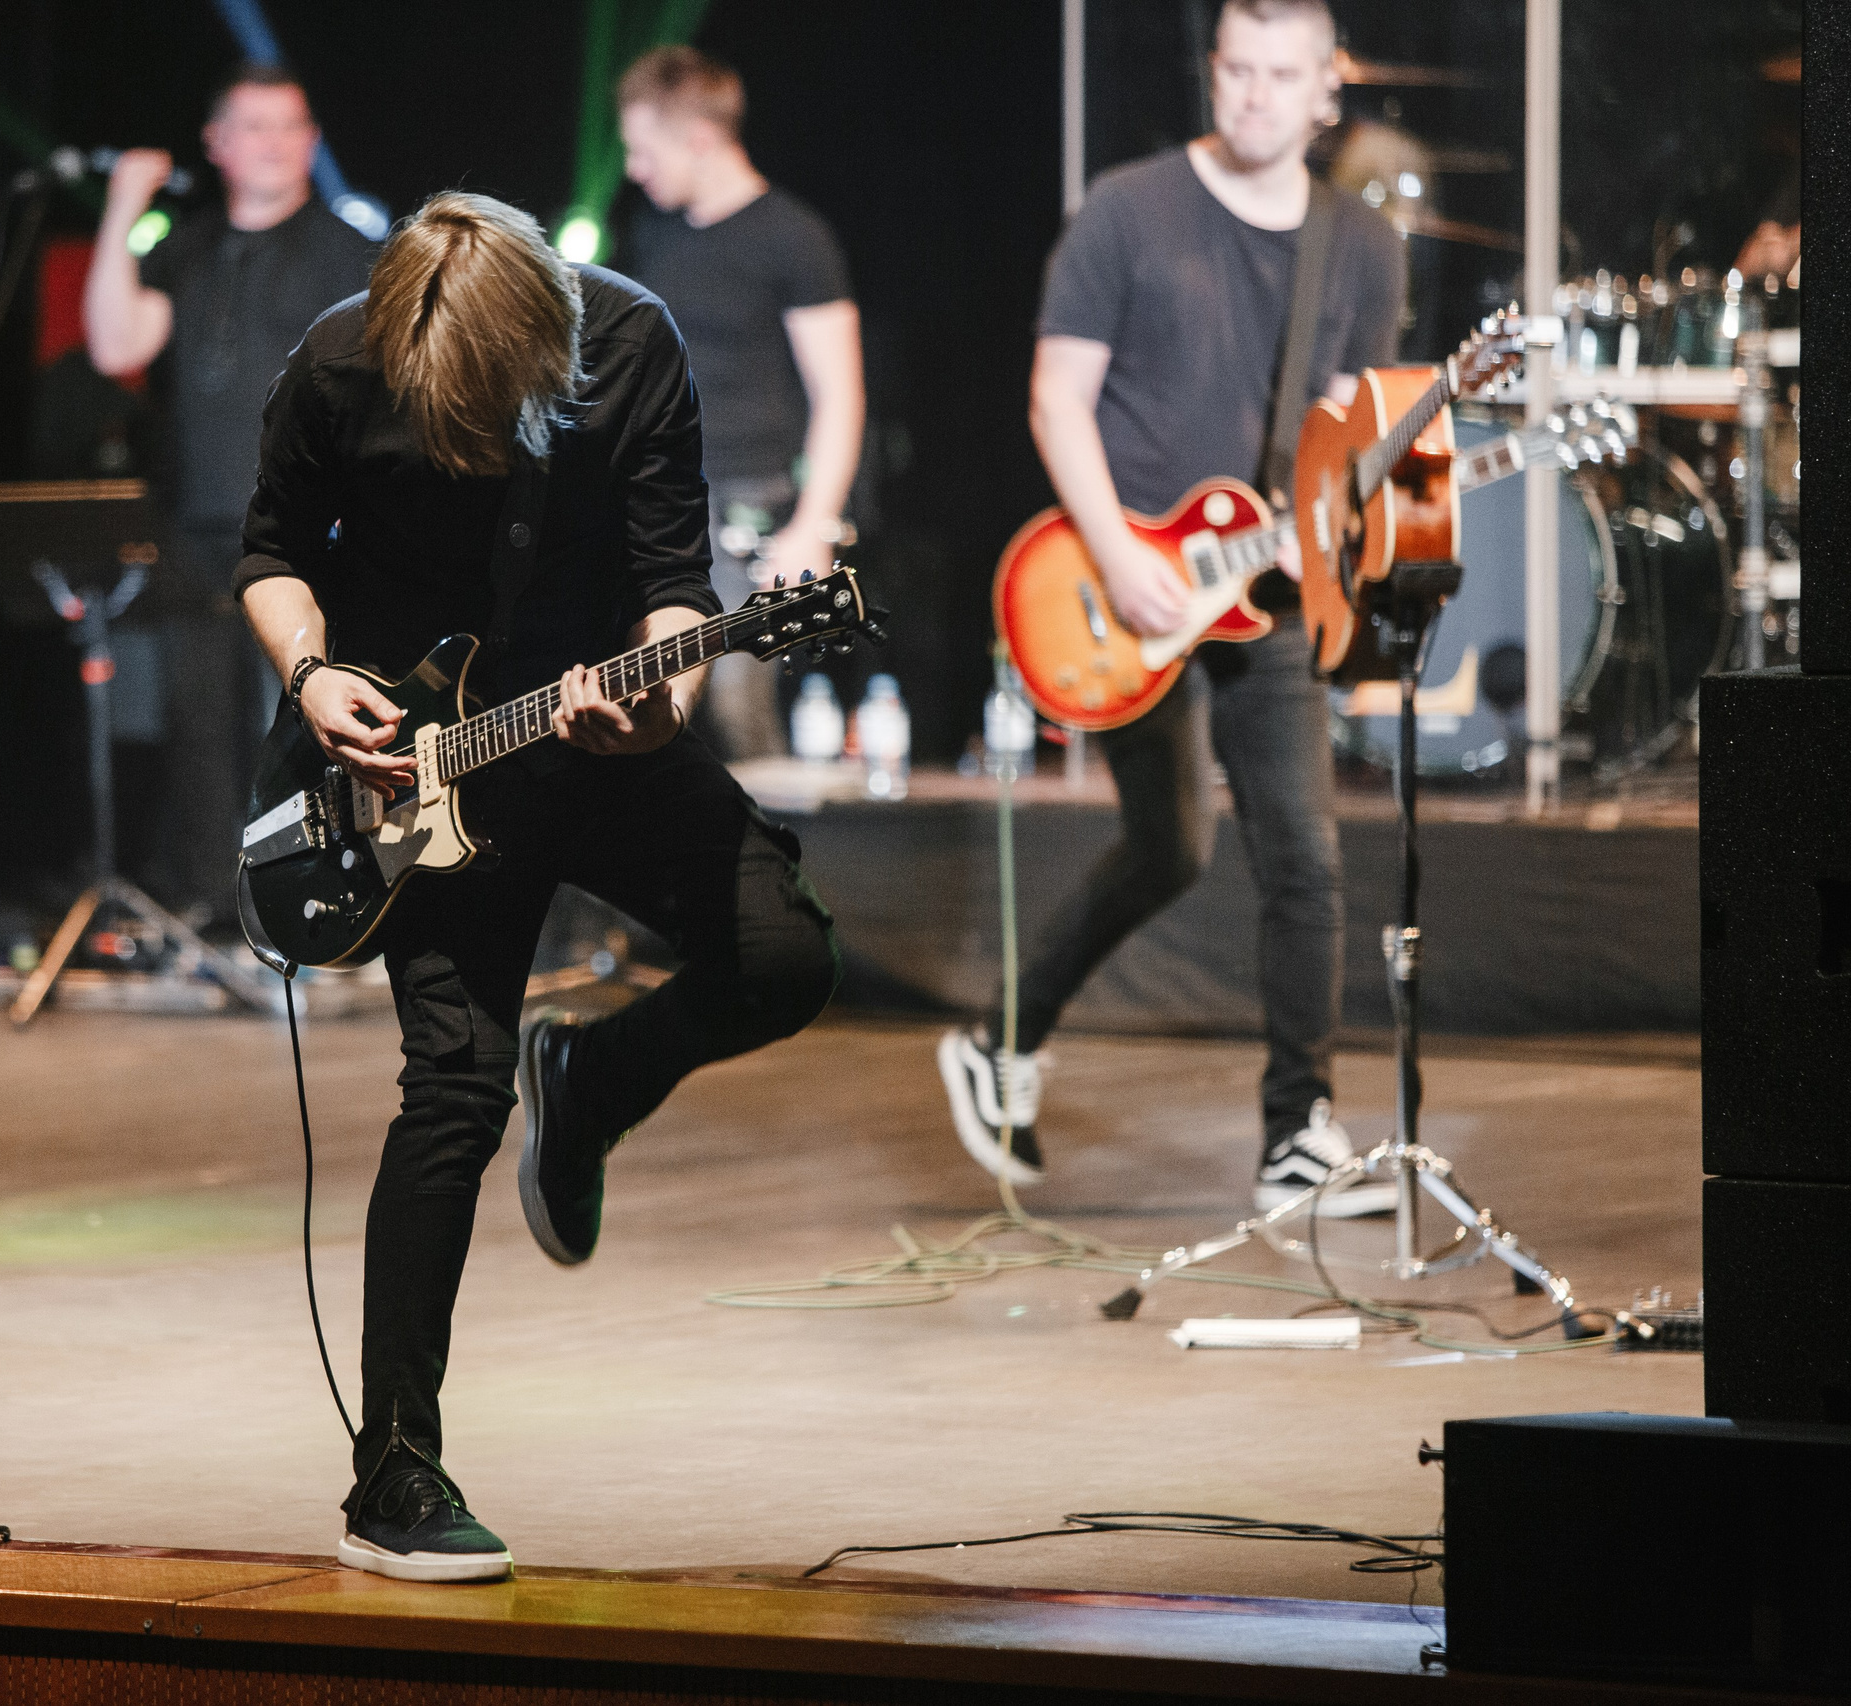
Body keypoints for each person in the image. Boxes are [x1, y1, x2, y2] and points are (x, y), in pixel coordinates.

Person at [237, 194, 839, 1581]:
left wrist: (662, 702)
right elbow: (270, 554)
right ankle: (392, 1464)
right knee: (452, 1082)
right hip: (412, 766)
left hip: (593, 726)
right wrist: (313, 675)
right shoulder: (339, 364)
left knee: (787, 956)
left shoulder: (631, 343)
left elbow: (674, 584)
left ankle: (595, 1081)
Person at [937, 0, 1405, 1217]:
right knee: (1170, 846)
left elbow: (1340, 436)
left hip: (1266, 586)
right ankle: (1002, 1042)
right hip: (1117, 583)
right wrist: (1116, 548)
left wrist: (1355, 505)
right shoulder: (1128, 210)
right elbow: (1056, 399)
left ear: (1325, 92)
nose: (1251, 94)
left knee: (1304, 853)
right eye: (1235, 70)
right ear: (1215, 73)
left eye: (1278, 75)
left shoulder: (1356, 246)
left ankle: (1297, 1131)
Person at [83, 65, 376, 918]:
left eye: (291, 127)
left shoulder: (347, 250)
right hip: (196, 526)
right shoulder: (190, 247)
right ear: (216, 145)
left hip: (310, 532)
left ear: (313, 142)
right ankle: (218, 905)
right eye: (255, 126)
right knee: (198, 726)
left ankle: (323, 898)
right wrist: (123, 207)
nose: (276, 144)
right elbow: (113, 343)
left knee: (301, 719)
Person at [615, 46, 864, 761]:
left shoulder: (794, 238)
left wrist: (813, 525)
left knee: (729, 706)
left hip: (748, 508)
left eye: (644, 150)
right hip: (656, 498)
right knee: (642, 698)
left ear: (698, 138)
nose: (634, 169)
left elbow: (841, 395)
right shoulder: (650, 237)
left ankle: (764, 866)